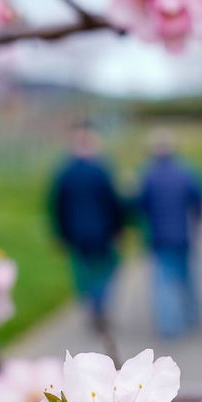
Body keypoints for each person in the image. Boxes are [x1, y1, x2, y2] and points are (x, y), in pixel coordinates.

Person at [46, 127, 125, 334]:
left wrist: (59, 233)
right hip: (102, 232)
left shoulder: (65, 172)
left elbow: (56, 205)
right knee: (106, 269)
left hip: (76, 234)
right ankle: (100, 303)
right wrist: (118, 228)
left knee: (82, 272)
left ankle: (92, 304)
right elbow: (114, 202)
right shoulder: (101, 170)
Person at [135, 132, 202, 340]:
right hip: (184, 234)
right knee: (187, 277)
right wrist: (199, 220)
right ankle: (192, 315)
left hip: (158, 236)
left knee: (164, 282)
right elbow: (198, 199)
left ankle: (170, 325)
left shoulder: (148, 174)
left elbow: (140, 205)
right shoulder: (187, 171)